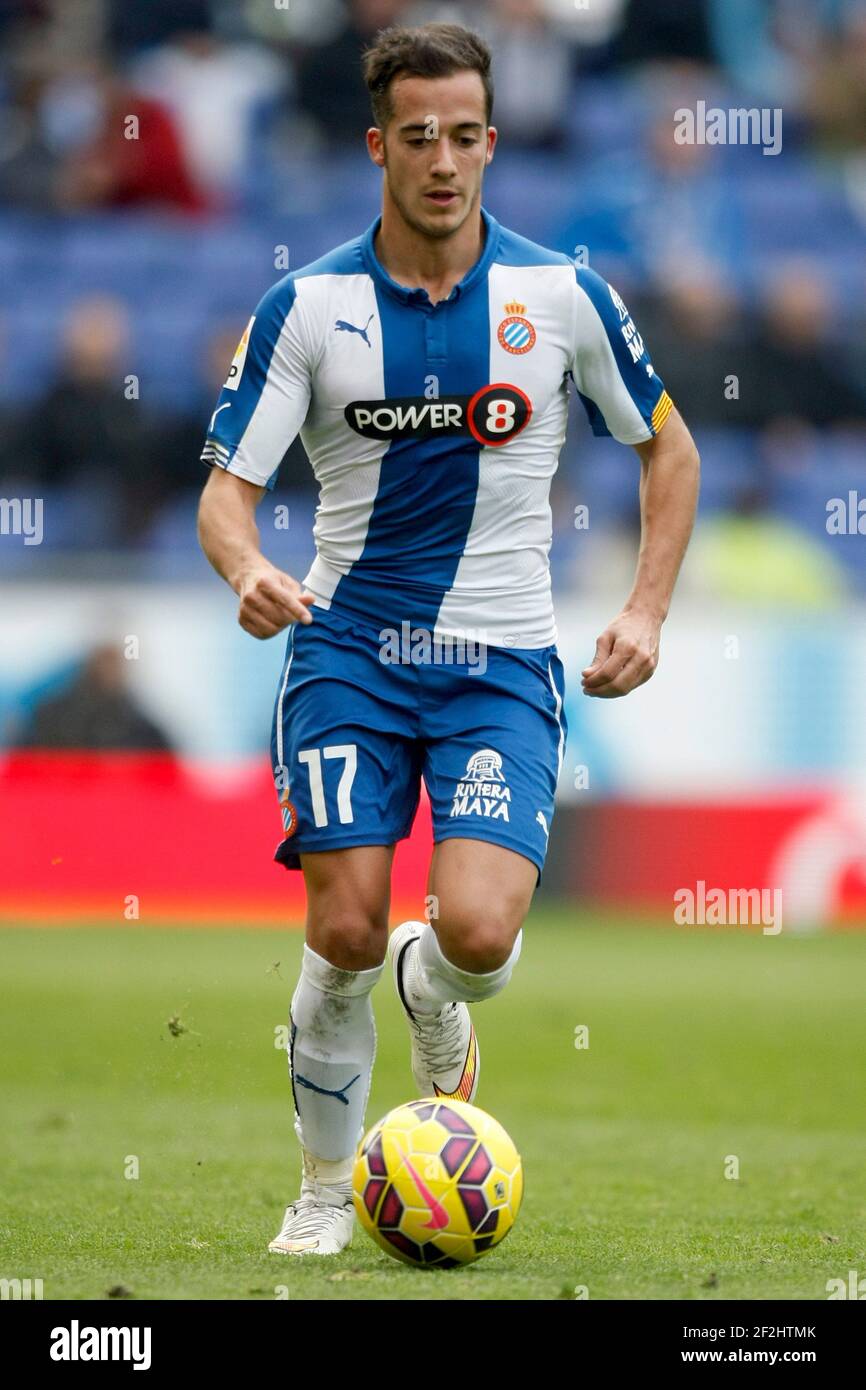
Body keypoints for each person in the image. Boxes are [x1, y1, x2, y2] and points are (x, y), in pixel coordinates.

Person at [197, 22, 700, 1257]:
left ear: (491, 140)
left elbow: (666, 450)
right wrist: (249, 567)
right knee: (343, 929)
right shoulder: (306, 307)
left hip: (498, 664)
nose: (441, 160)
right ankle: (322, 1190)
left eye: (463, 136)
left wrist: (643, 609)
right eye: (416, 136)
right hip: (348, 653)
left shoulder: (561, 295)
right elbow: (224, 493)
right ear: (377, 144)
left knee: (472, 939)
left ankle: (437, 992)